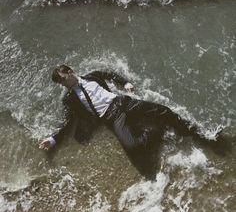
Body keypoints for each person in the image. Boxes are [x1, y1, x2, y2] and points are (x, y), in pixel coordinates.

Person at [39, 64, 206, 151]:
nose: (63, 84)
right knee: (134, 147)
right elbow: (68, 120)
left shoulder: (92, 76)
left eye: (63, 79)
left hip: (123, 102)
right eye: (60, 83)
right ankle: (158, 129)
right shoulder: (70, 99)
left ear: (70, 71)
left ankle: (194, 132)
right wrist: (53, 138)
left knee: (164, 111)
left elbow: (110, 74)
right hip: (112, 117)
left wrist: (125, 83)